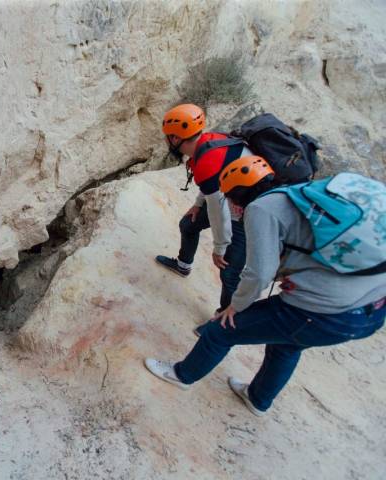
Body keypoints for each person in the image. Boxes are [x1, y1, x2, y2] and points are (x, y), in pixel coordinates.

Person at [144, 156, 386, 416]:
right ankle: (258, 399)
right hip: (371, 311)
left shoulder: (262, 209)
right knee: (287, 344)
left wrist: (235, 307)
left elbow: (259, 273)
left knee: (220, 331)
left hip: (322, 313)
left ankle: (182, 375)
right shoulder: (298, 197)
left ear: (238, 197)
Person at [156, 104, 254, 319]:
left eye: (168, 137)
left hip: (250, 213)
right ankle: (183, 266)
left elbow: (218, 209)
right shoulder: (210, 141)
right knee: (188, 224)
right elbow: (213, 184)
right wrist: (198, 204)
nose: (167, 141)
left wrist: (220, 247)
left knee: (229, 270)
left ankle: (224, 318)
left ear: (176, 138)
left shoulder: (207, 159)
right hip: (235, 197)